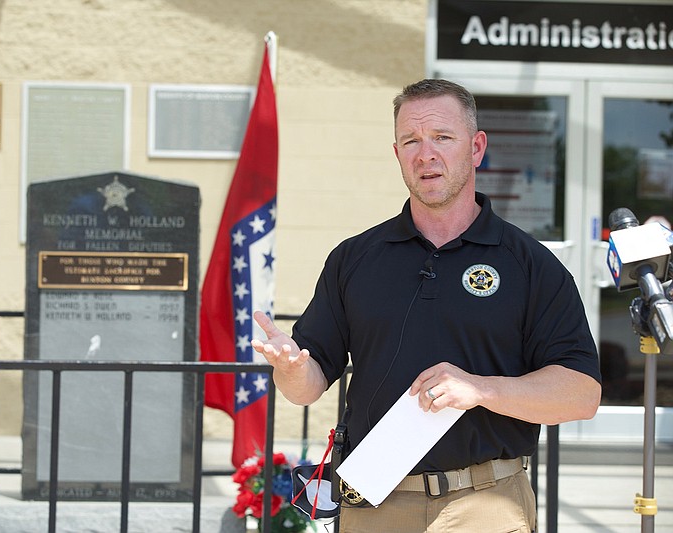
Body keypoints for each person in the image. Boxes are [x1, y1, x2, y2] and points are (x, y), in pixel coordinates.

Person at [251, 79, 602, 533]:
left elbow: (581, 394)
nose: (425, 153)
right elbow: (306, 386)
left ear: (476, 148)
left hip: (488, 504)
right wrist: (291, 368)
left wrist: (481, 389)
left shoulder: (530, 265)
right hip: (376, 504)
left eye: (442, 137)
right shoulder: (354, 259)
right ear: (396, 154)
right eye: (410, 141)